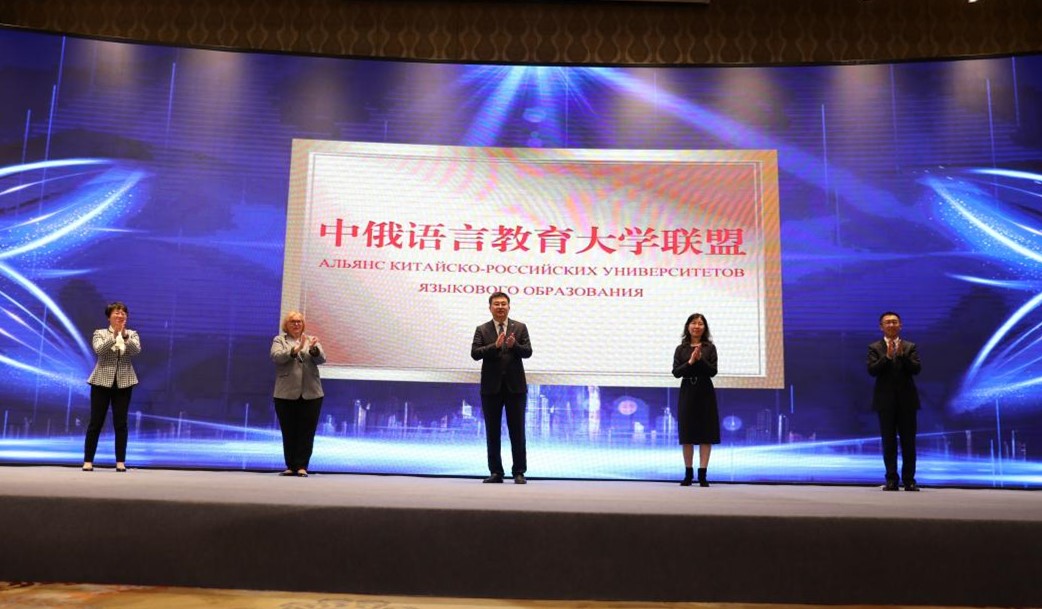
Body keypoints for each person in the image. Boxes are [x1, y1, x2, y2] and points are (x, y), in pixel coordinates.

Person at [471, 291, 533, 484]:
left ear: (509, 306)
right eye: (496, 304)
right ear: (490, 308)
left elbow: (528, 352)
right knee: (492, 431)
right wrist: (495, 346)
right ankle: (496, 472)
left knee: (517, 431)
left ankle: (519, 472)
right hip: (491, 388)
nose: (500, 307)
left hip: (515, 388)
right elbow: (475, 353)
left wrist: (515, 346)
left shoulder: (520, 327)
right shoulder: (482, 329)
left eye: (503, 304)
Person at [83, 301, 141, 472]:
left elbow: (136, 350)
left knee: (121, 423)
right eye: (116, 313)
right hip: (101, 381)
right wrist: (114, 335)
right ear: (109, 317)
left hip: (124, 382)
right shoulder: (100, 333)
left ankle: (120, 462)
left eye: (123, 313)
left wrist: (124, 336)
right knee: (96, 422)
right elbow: (99, 350)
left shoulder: (132, 334)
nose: (120, 315)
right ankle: (88, 461)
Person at [867, 311, 922, 491]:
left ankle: (909, 480)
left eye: (894, 322)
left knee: (908, 442)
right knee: (889, 442)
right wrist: (888, 357)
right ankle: (891, 479)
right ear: (881, 326)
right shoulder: (874, 347)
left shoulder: (909, 346)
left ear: (900, 325)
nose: (891, 325)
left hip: (907, 402)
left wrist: (902, 355)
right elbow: (872, 371)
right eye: (888, 322)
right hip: (885, 402)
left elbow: (916, 369)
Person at [270, 311, 326, 478]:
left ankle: (302, 466)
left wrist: (313, 349)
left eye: (299, 321)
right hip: (285, 393)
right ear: (286, 325)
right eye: (293, 321)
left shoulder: (311, 340)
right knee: (289, 431)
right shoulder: (279, 340)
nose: (296, 324)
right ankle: (291, 466)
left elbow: (322, 359)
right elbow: (276, 357)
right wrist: (295, 350)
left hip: (311, 393)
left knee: (307, 431)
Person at [671, 313, 720, 487]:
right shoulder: (681, 348)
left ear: (704, 327)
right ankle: (688, 474)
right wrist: (691, 361)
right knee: (687, 434)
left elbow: (713, 371)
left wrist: (700, 359)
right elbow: (676, 373)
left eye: (700, 323)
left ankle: (702, 475)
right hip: (687, 391)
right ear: (688, 326)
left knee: (706, 433)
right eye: (693, 323)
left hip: (705, 391)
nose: (697, 326)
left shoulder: (710, 347)